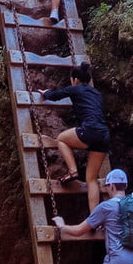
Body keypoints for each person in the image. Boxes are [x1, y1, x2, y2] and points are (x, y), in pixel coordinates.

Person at [41, 61, 111, 207]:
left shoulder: (75, 89)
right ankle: (94, 217)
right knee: (91, 179)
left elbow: (55, 95)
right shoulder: (97, 93)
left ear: (75, 79)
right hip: (104, 135)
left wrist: (46, 93)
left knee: (61, 139)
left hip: (90, 130)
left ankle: (72, 171)